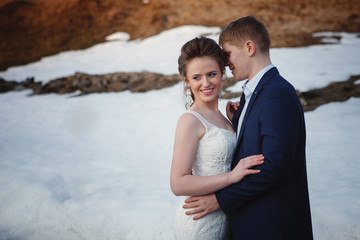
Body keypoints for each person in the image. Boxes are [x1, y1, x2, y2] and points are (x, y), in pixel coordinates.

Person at [183, 16, 314, 240]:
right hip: (250, 224)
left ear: (249, 47)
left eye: (227, 54)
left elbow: (275, 166)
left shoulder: (277, 93)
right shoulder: (255, 94)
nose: (224, 63)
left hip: (273, 227)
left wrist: (220, 200)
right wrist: (238, 121)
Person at [170, 37, 264, 239]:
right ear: (187, 81)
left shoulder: (223, 116)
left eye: (212, 74)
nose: (206, 83)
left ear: (222, 73)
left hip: (224, 217)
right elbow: (178, 183)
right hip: (199, 223)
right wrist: (231, 177)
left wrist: (235, 123)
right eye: (196, 77)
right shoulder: (190, 120)